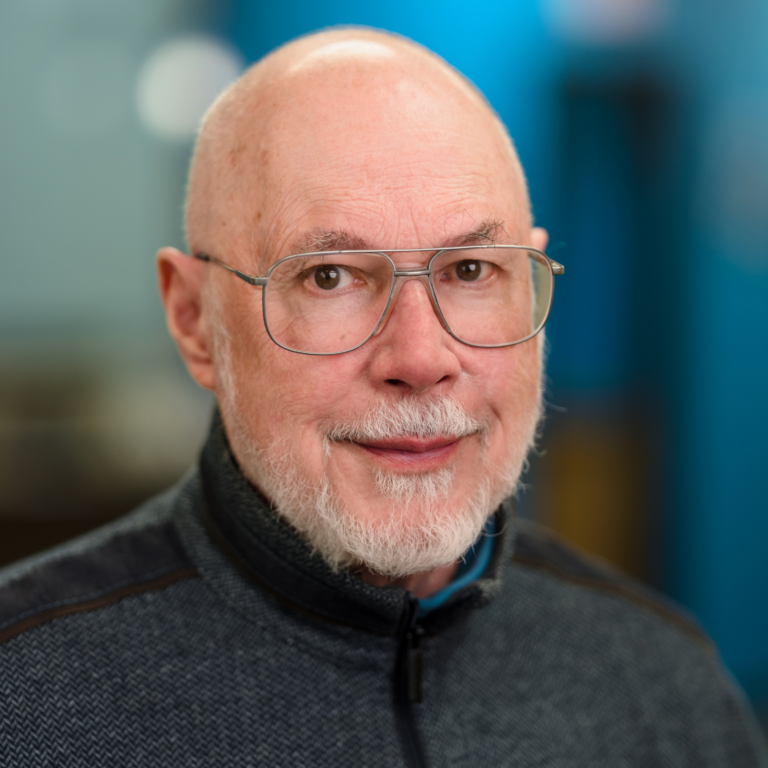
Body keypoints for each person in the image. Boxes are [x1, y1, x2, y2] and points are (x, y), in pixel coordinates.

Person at [0, 27, 765, 768]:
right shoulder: (24, 700)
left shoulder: (665, 689)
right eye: (329, 277)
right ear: (195, 321)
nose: (421, 359)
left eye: (470, 271)